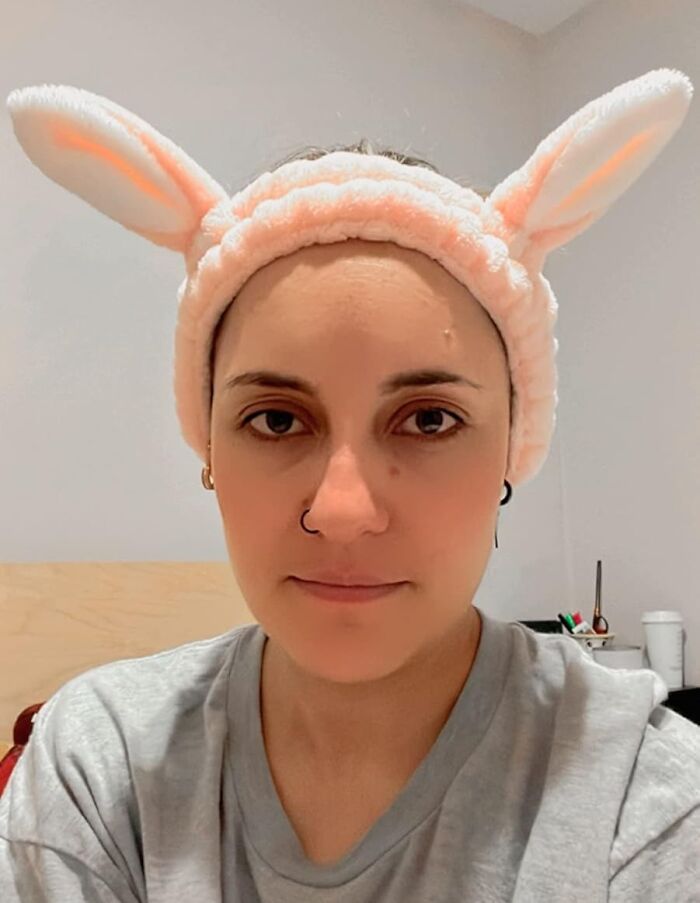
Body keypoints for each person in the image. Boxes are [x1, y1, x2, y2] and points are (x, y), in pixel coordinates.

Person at [1, 70, 698, 901]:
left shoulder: (645, 803)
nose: (342, 511)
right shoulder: (99, 770)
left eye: (429, 419)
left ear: (514, 447)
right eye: (277, 419)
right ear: (208, 448)